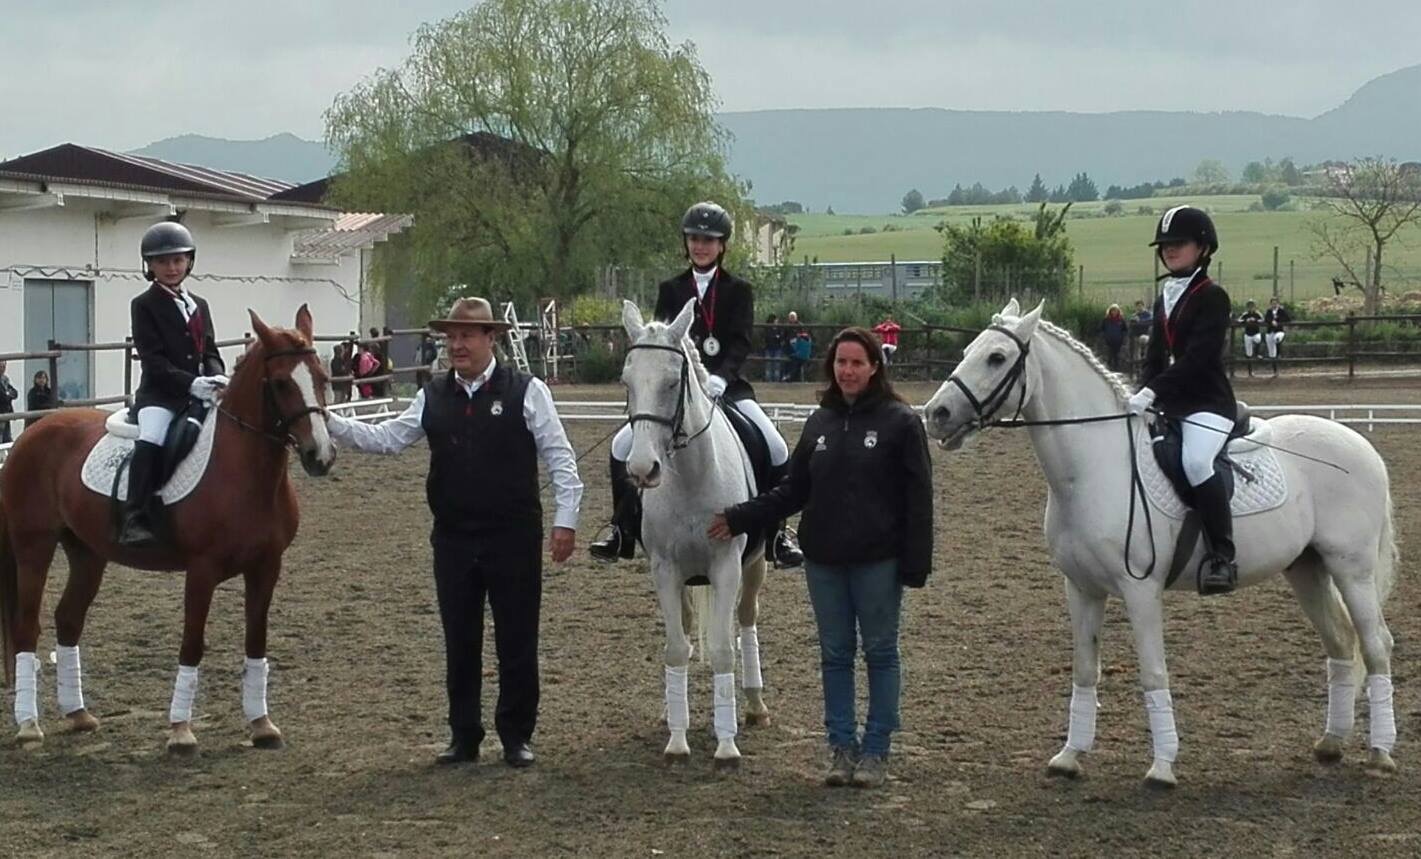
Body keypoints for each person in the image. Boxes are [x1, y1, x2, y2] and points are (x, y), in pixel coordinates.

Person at [324, 296, 583, 768]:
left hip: (512, 535)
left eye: (466, 336)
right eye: (451, 337)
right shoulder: (433, 395)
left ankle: (516, 735)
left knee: (517, 638)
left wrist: (566, 520)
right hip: (454, 537)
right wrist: (329, 423)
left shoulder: (527, 391)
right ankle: (464, 735)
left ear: (490, 338)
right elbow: (388, 439)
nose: (457, 345)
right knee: (459, 639)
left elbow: (559, 456)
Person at [708, 327, 933, 788]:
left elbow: (919, 499)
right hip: (825, 561)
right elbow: (794, 490)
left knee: (880, 652)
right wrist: (740, 516)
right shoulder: (820, 423)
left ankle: (876, 748)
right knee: (834, 654)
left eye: (857, 363)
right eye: (841, 362)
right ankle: (841, 746)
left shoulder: (901, 423)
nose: (847, 371)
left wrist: (915, 562)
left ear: (874, 367)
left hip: (878, 561)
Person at [588, 201, 803, 567]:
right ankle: (621, 528)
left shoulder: (739, 289)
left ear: (722, 245)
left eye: (709, 240)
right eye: (694, 239)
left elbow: (740, 342)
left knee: (776, 445)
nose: (700, 246)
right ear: (686, 243)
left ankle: (777, 535)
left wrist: (720, 377)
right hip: (676, 392)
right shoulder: (671, 289)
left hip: (727, 388)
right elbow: (660, 340)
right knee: (621, 446)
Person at [1129, 205, 1238, 595]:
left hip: (1208, 404)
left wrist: (1153, 391)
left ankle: (1222, 557)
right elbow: (1155, 357)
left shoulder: (1213, 296)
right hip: (1171, 403)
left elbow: (1198, 359)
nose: (1170, 250)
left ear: (1203, 248)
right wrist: (1138, 391)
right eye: (1165, 245)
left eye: (1179, 243)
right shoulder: (1164, 297)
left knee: (1195, 461)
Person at [120, 221, 227, 548]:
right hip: (160, 395)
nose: (171, 267)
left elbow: (210, 350)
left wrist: (217, 377)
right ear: (150, 265)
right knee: (152, 437)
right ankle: (135, 515)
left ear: (189, 261)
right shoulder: (144, 304)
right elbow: (153, 361)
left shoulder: (200, 305)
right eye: (163, 261)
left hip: (200, 392)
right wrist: (192, 383)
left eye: (178, 260)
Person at [1238, 299, 1264, 374]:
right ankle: (1250, 371)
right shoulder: (1245, 314)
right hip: (1247, 334)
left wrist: (1255, 320)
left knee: (1258, 339)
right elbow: (1239, 320)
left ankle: (1257, 353)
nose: (1251, 307)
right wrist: (1246, 320)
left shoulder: (1257, 314)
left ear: (1255, 306)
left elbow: (1263, 320)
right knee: (1248, 354)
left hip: (1256, 333)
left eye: (1252, 305)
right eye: (1249, 306)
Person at [1264, 295, 1291, 366]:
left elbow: (1288, 319)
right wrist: (1271, 321)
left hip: (1279, 331)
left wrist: (1278, 322)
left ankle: (1279, 353)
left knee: (1277, 339)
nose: (1274, 305)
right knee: (1272, 353)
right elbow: (1266, 319)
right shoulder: (1269, 311)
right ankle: (1274, 368)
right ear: (1271, 304)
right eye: (1273, 303)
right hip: (1270, 332)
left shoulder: (1281, 311)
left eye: (1275, 303)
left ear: (1278, 304)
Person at [1099, 304, 1128, 371]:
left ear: (1118, 311)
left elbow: (1125, 329)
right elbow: (1101, 328)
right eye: (1113, 310)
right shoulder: (1106, 319)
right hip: (1108, 340)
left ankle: (1116, 368)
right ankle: (1108, 366)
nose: (1114, 312)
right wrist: (1104, 336)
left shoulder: (1121, 320)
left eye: (1116, 310)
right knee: (1109, 353)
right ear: (1110, 311)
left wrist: (1123, 337)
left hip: (1118, 340)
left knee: (1116, 354)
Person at [1129, 299, 1153, 367]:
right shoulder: (1134, 315)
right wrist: (1138, 323)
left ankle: (1145, 364)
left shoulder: (1148, 314)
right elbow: (1132, 325)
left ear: (1143, 306)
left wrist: (1139, 321)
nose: (1139, 308)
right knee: (1136, 353)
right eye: (1137, 306)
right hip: (1136, 336)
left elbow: (1150, 322)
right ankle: (1137, 366)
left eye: (1140, 306)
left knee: (1146, 351)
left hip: (1145, 335)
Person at [762, 313, 785, 382]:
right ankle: (769, 381)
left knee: (777, 366)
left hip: (777, 348)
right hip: (769, 348)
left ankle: (776, 381)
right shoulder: (767, 329)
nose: (777, 321)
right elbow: (767, 338)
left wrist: (777, 337)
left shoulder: (779, 328)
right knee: (768, 366)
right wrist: (776, 337)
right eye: (776, 319)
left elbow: (781, 337)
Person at [0, 361, 17, 444]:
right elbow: (3, 396)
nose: (2, 369)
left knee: (7, 438)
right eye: (0, 366)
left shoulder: (5, 379)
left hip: (7, 412)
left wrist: (7, 394)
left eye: (4, 366)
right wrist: (8, 394)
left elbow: (15, 393)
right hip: (1, 411)